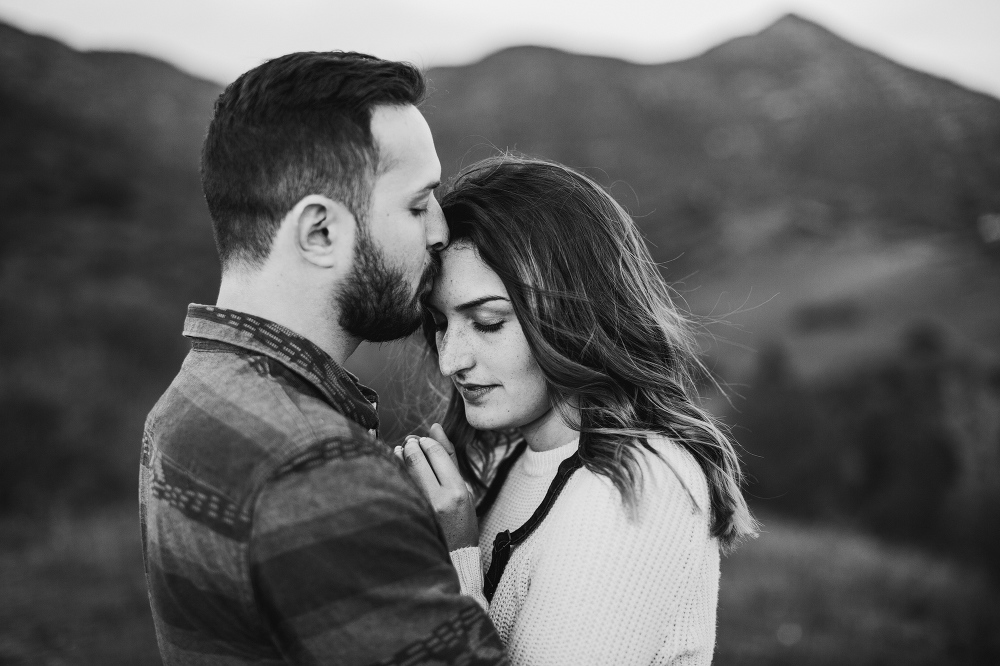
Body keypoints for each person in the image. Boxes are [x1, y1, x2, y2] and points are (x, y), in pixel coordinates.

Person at [139, 52, 508, 665]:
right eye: (417, 206)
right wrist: (457, 559)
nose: (440, 232)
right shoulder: (315, 465)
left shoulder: (195, 392)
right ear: (320, 232)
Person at [400, 155, 758, 665]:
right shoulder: (512, 461)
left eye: (488, 322)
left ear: (575, 314)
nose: (451, 359)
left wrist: (456, 556)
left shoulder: (634, 482)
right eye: (440, 323)